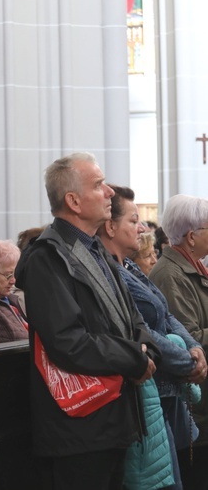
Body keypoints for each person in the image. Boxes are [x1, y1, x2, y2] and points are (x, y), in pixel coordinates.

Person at [14, 152, 160, 489]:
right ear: (74, 201)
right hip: (79, 429)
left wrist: (148, 350)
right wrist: (135, 358)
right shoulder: (47, 258)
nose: (110, 192)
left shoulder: (95, 251)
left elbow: (131, 318)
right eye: (99, 185)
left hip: (114, 419)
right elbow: (67, 340)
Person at [98, 185, 207, 490]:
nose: (143, 227)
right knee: (161, 476)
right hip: (150, 389)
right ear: (110, 226)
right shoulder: (114, 274)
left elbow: (168, 315)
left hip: (168, 388)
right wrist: (188, 359)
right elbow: (142, 330)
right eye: (134, 220)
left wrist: (194, 347)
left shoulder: (130, 267)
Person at [149, 193, 208, 489]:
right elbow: (188, 338)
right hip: (195, 405)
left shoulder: (195, 268)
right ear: (191, 236)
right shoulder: (171, 275)